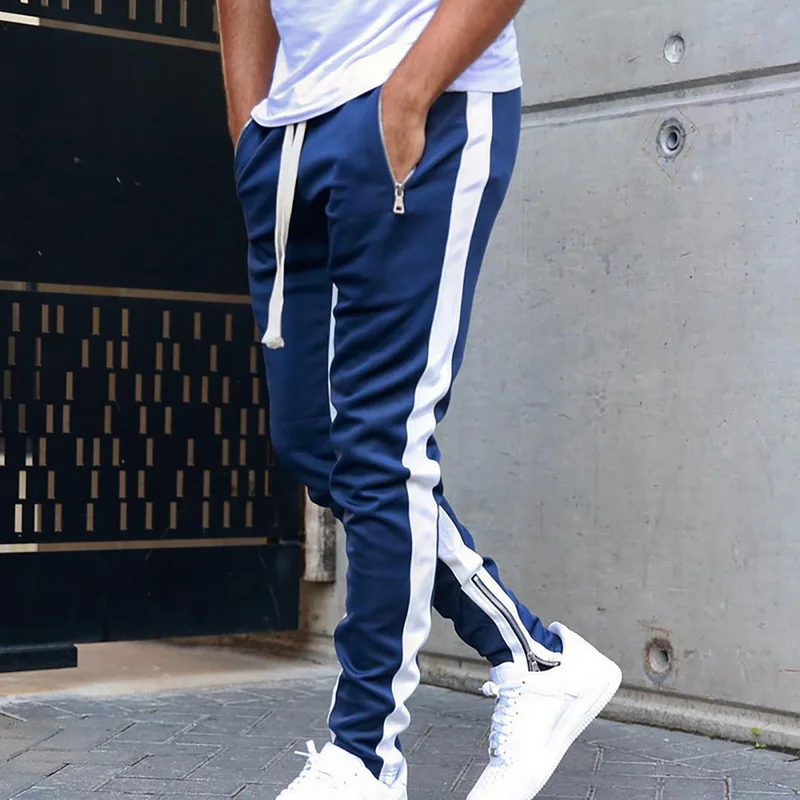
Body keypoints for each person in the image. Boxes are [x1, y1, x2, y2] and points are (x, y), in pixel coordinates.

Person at [218, 1, 622, 798]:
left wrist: (408, 96)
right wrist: (249, 134)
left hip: (421, 98)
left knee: (380, 444)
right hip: (287, 134)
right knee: (313, 442)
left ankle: (364, 759)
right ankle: (534, 657)